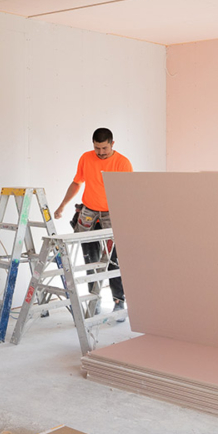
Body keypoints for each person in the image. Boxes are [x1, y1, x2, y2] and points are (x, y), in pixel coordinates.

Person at [54, 127, 131, 314]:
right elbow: (77, 182)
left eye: (104, 148)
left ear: (112, 144)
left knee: (113, 259)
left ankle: (119, 301)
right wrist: (62, 205)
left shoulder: (122, 163)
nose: (101, 153)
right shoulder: (86, 158)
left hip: (111, 212)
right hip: (89, 212)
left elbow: (129, 192)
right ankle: (93, 301)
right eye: (97, 148)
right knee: (90, 258)